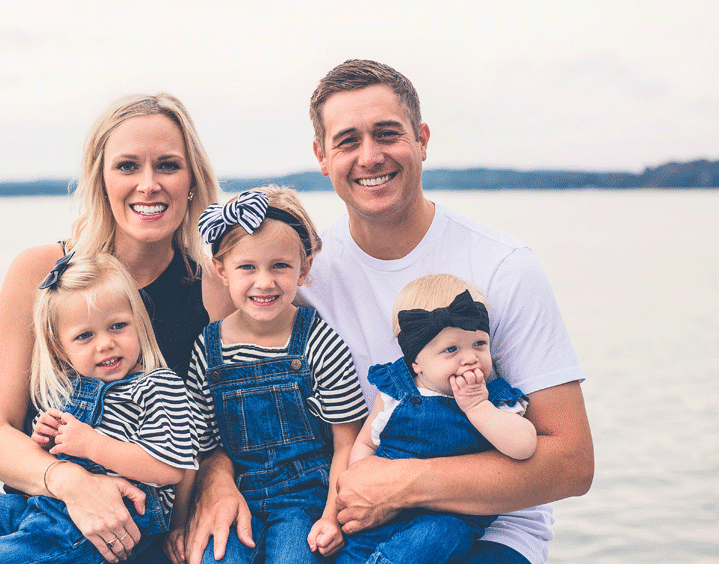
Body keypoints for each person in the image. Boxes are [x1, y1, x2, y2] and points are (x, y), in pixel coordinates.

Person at [184, 60, 593, 564]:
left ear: (422, 139)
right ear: (321, 155)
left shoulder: (503, 267)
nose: (370, 156)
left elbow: (572, 464)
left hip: (486, 529)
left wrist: (405, 484)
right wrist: (216, 477)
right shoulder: (296, 274)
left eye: (387, 134)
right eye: (347, 141)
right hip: (344, 523)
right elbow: (221, 398)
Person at [0, 93, 225, 564]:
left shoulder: (214, 288)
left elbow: (218, 438)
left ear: (191, 179)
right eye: (127, 166)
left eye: (167, 165)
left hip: (133, 522)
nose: (148, 184)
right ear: (101, 179)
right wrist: (72, 482)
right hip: (48, 500)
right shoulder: (43, 273)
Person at [0, 253, 198, 563]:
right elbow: (55, 456)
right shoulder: (69, 386)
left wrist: (94, 445)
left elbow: (171, 468)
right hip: (48, 510)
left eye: (118, 326)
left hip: (112, 528)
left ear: (138, 323)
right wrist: (46, 440)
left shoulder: (158, 386)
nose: (105, 343)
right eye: (85, 336)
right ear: (60, 348)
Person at [166, 187, 369, 563]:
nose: (264, 282)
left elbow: (347, 443)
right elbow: (201, 447)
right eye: (247, 267)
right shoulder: (207, 351)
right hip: (235, 494)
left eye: (279, 265)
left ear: (304, 269)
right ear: (221, 270)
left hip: (304, 499)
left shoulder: (318, 343)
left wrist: (331, 518)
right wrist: (179, 522)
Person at [337, 274, 537, 563]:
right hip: (379, 514)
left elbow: (525, 446)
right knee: (350, 552)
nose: (470, 358)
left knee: (440, 535)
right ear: (415, 361)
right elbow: (366, 443)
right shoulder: (395, 392)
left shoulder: (494, 400)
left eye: (479, 344)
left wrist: (478, 408)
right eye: (452, 349)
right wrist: (362, 478)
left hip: (450, 515)